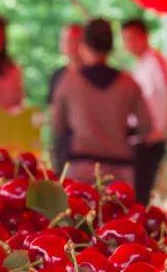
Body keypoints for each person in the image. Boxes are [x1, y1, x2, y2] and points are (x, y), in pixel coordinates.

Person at [52, 18, 151, 188]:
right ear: (111, 47)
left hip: (80, 167)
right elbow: (146, 126)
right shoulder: (129, 83)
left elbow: (57, 125)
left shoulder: (69, 81)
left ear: (83, 45)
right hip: (120, 169)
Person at [121, 18, 167, 205]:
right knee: (135, 192)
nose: (129, 44)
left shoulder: (155, 61)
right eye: (125, 39)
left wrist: (163, 128)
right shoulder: (141, 65)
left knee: (140, 193)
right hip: (140, 137)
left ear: (144, 36)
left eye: (132, 38)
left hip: (152, 137)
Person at [46, 23, 82, 171]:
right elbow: (52, 110)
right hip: (62, 145)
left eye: (75, 40)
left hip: (85, 148)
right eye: (66, 40)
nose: (70, 45)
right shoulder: (58, 75)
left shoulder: (93, 76)